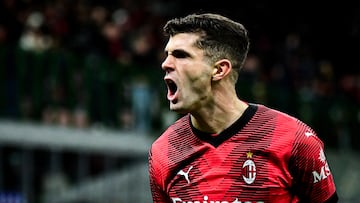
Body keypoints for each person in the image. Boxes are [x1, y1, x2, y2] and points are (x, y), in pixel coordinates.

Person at [148, 12, 338, 203]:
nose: (165, 64)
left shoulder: (294, 139)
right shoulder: (163, 151)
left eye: (181, 55)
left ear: (219, 70)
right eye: (167, 55)